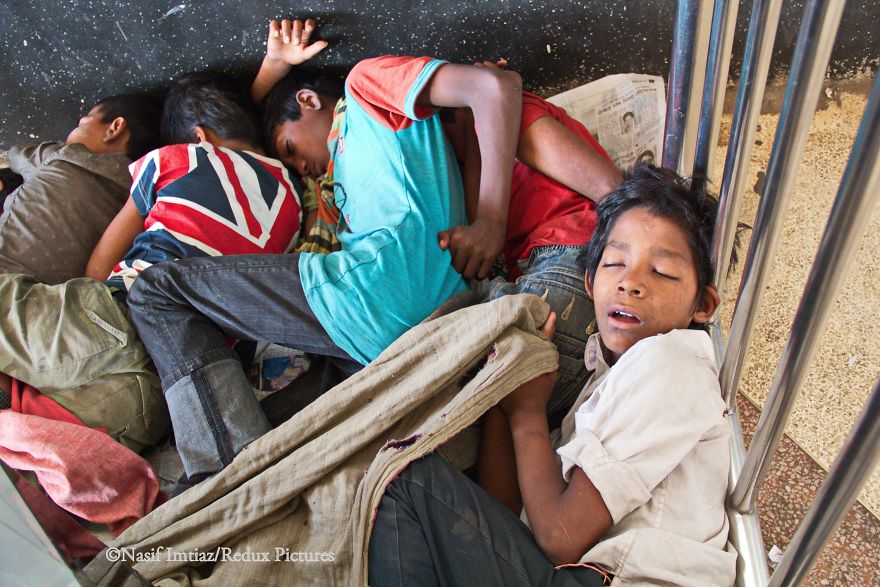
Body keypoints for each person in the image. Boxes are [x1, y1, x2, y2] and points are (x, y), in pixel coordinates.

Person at [126, 18, 524, 481]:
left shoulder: (365, 87)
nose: (298, 167)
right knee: (276, 434)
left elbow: (496, 87)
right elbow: (238, 134)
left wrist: (491, 221)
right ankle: (243, 476)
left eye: (289, 148)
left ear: (310, 101)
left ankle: (221, 487)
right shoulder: (333, 193)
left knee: (157, 290)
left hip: (376, 294)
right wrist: (271, 70)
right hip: (404, 335)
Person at [368, 164, 737, 586]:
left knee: (406, 480)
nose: (631, 283)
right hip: (563, 574)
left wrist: (528, 414)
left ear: (703, 306)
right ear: (590, 282)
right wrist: (507, 383)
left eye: (663, 273)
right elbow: (505, 512)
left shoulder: (668, 362)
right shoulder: (603, 378)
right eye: (615, 264)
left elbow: (559, 538)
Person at [0, 73, 306, 454]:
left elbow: (96, 270)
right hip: (165, 390)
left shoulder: (172, 158)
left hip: (115, 317)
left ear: (197, 137)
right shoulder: (295, 203)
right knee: (64, 436)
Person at [0, 94, 162, 284]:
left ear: (114, 128)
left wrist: (58, 150)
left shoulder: (67, 156)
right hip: (44, 299)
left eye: (81, 124)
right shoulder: (139, 196)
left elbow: (17, 154)